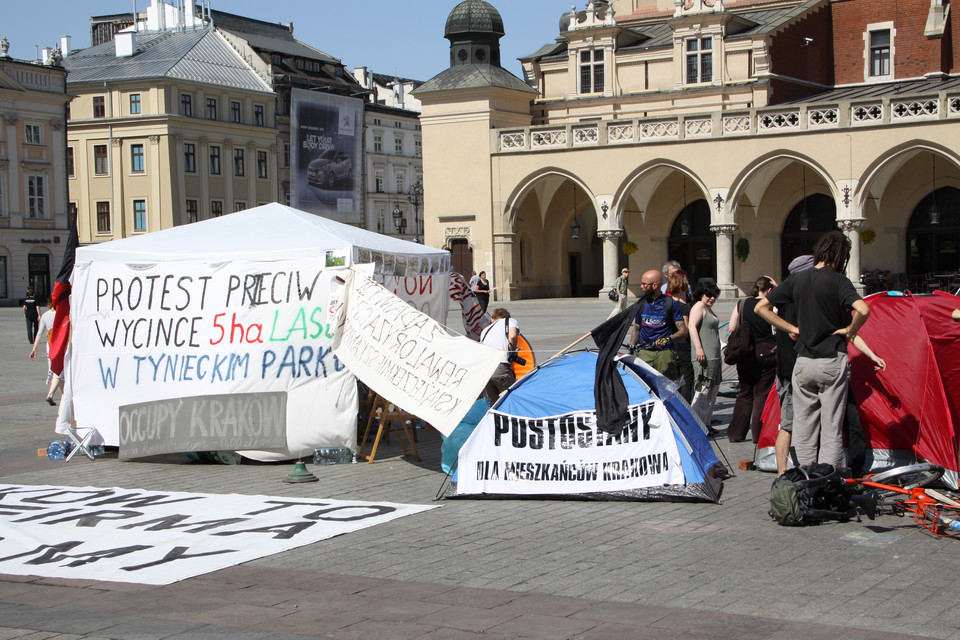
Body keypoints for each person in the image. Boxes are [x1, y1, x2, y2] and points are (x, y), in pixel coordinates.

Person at [757, 231, 870, 468]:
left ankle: (805, 479)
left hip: (803, 361)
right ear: (841, 256)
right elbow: (863, 309)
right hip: (830, 360)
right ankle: (826, 481)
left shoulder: (797, 279)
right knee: (831, 427)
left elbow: (761, 307)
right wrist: (849, 330)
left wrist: (791, 328)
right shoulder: (839, 281)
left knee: (804, 427)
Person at [772, 255, 814, 474]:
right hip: (791, 370)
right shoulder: (795, 300)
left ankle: (795, 469)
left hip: (787, 368)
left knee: (794, 423)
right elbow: (795, 335)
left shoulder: (785, 297)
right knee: (787, 425)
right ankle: (781, 473)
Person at [727, 275, 777, 443]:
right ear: (769, 290)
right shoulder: (770, 304)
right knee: (762, 393)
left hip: (745, 351)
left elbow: (732, 328)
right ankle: (758, 434)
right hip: (767, 349)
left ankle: (736, 433)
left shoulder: (742, 304)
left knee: (745, 392)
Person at [629, 269, 687, 380]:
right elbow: (637, 328)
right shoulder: (641, 303)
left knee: (667, 387)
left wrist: (667, 339)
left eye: (644, 284)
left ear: (655, 285)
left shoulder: (670, 303)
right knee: (645, 385)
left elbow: (684, 331)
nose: (641, 286)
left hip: (665, 353)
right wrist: (631, 348)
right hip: (644, 352)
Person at [688, 281, 722, 433]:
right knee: (703, 391)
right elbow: (691, 326)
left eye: (714, 296)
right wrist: (699, 348)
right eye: (708, 295)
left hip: (714, 356)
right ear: (701, 294)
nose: (712, 298)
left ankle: (706, 424)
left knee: (712, 391)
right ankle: (698, 426)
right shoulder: (699, 306)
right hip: (704, 356)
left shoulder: (708, 308)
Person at [480, 307, 518, 404]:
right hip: (500, 366)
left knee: (495, 403)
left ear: (492, 319)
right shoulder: (510, 321)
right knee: (512, 398)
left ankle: (495, 419)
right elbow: (513, 336)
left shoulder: (485, 330)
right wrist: (512, 350)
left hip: (486, 369)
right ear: (507, 317)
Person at [29, 296, 63, 406]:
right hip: (61, 345)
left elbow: (39, 333)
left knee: (56, 371)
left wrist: (34, 349)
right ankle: (52, 394)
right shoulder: (62, 314)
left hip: (50, 346)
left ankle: (63, 396)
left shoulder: (45, 316)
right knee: (60, 372)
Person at [666, 271, 693, 403]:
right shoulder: (683, 307)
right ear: (682, 288)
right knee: (686, 381)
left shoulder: (665, 304)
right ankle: (686, 409)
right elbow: (685, 328)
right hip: (682, 346)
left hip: (668, 345)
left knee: (671, 380)